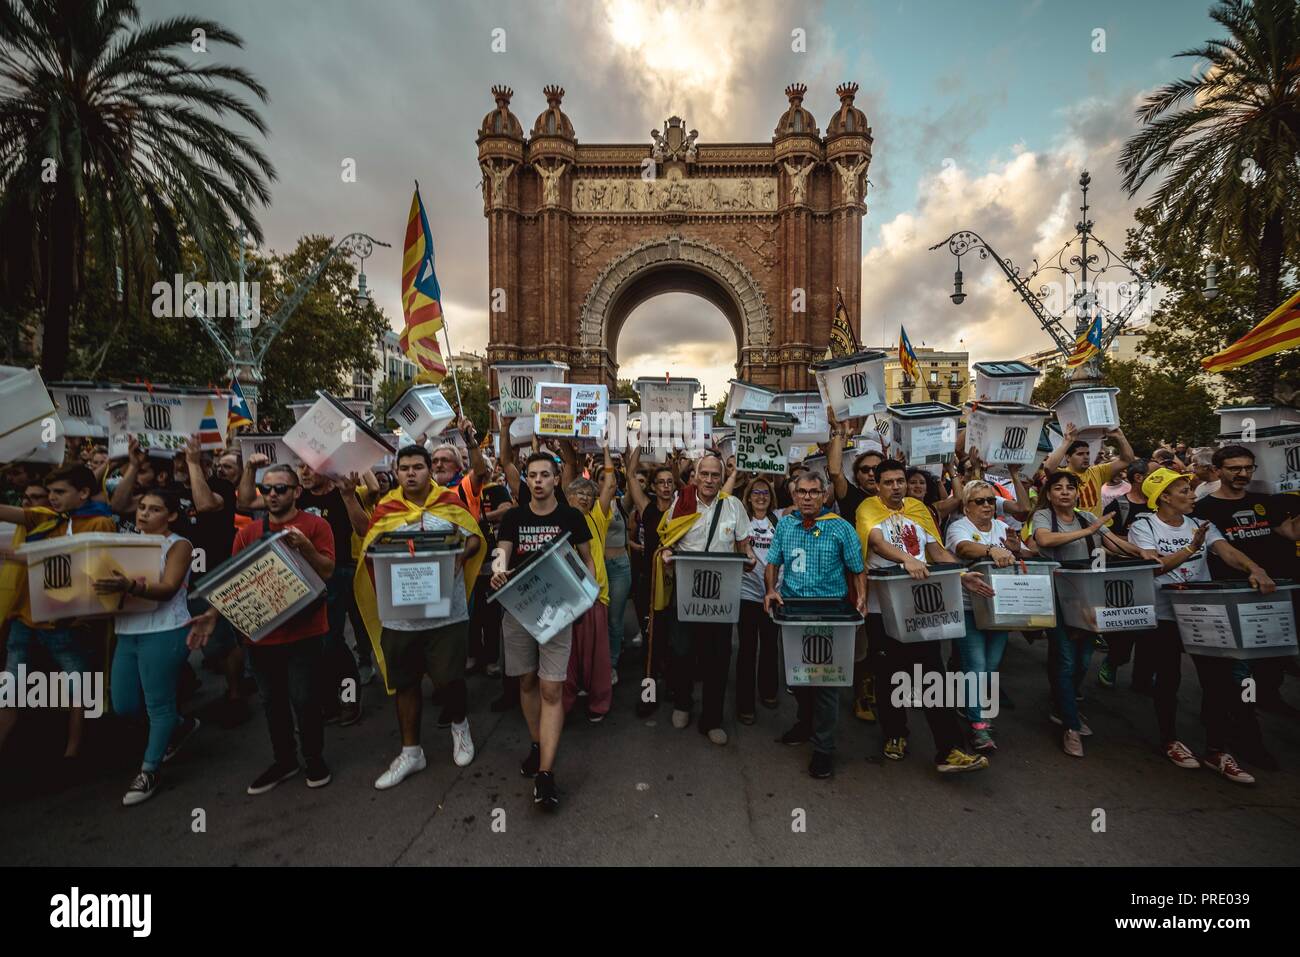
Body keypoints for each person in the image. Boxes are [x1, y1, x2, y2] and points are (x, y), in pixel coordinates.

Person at [187, 464, 336, 795]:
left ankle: (314, 759)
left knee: (305, 698)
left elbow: (327, 571)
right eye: (266, 489)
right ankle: (284, 760)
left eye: (280, 489)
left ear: (297, 492)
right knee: (272, 701)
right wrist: (213, 613)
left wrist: (306, 549)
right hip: (262, 634)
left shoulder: (316, 525)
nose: (272, 495)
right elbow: (234, 580)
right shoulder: (248, 534)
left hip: (305, 632)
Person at [1128, 467, 1277, 783]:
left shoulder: (1200, 525)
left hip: (1202, 612)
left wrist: (1256, 568)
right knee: (1168, 680)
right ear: (1164, 497)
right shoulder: (1144, 526)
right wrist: (1190, 549)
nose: (1192, 496)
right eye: (1183, 491)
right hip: (1164, 615)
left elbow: (1228, 552)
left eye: (1191, 490)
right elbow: (1153, 567)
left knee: (1218, 681)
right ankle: (1170, 740)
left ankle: (1217, 750)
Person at [353, 445, 485, 790]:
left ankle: (460, 727)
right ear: (396, 473)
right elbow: (368, 547)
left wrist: (459, 554)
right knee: (405, 683)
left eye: (418, 467)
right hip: (401, 617)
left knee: (450, 679)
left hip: (446, 613)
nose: (411, 473)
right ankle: (411, 752)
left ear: (430, 470)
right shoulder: (386, 509)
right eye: (404, 468)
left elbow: (474, 538)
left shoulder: (450, 502)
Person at [856, 459, 993, 773]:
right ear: (877, 485)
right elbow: (876, 542)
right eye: (888, 482)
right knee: (888, 674)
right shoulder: (868, 508)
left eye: (900, 481)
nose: (896, 487)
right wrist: (906, 560)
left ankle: (949, 749)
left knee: (932, 674)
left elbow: (937, 551)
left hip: (922, 606)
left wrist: (961, 575)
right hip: (882, 608)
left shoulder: (918, 510)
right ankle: (894, 734)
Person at [490, 452, 595, 811]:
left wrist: (589, 590)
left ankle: (546, 775)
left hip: (558, 612)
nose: (537, 481)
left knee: (552, 688)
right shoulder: (514, 518)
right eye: (531, 475)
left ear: (556, 479)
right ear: (526, 480)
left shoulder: (572, 516)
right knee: (527, 683)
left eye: (544, 475)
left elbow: (586, 558)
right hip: (520, 610)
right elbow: (501, 553)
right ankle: (537, 745)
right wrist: (498, 569)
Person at [0, 465, 117, 765]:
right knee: (10, 689)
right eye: (50, 491)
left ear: (84, 493)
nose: (52, 498)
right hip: (26, 619)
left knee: (78, 689)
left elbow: (96, 568)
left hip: (69, 623)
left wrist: (25, 556)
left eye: (59, 492)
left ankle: (73, 754)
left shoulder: (100, 523)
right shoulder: (44, 516)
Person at [94, 488, 195, 806]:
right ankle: (179, 726)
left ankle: (149, 770)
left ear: (172, 516)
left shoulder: (178, 544)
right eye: (141, 507)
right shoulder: (121, 544)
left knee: (158, 706)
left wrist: (131, 586)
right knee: (124, 704)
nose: (144, 514)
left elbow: (167, 589)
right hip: (127, 631)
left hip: (165, 630)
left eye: (154, 509)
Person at [1031, 471, 1143, 756]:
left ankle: (1062, 704)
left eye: (1071, 488)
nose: (1065, 493)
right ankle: (1070, 725)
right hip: (1058, 597)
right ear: (1050, 494)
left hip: (1090, 598)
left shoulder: (1088, 518)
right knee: (1067, 659)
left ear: (1078, 493)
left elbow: (1115, 544)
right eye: (1058, 488)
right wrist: (1089, 533)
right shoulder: (1044, 517)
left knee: (1083, 660)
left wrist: (1144, 553)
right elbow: (1044, 541)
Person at [764, 471, 867, 778]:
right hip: (794, 608)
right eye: (801, 492)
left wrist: (861, 599)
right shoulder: (784, 525)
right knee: (799, 677)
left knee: (826, 681)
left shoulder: (841, 528)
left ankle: (824, 748)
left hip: (831, 610)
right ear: (794, 496)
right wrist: (771, 589)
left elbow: (857, 567)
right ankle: (804, 724)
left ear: (825, 496)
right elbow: (773, 561)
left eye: (813, 492)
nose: (807, 497)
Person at [1194, 445, 1300, 739]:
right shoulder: (1204, 509)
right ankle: (1234, 725)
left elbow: (1290, 532)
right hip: (1235, 596)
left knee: (1273, 659)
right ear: (1218, 471)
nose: (1243, 474)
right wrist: (1254, 569)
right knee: (1236, 666)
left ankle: (1267, 697)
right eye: (1234, 468)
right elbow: (1224, 551)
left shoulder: (1265, 502)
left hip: (1276, 593)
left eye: (1248, 468)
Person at [654, 453, 755, 746]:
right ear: (695, 476)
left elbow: (744, 545)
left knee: (718, 658)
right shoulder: (680, 503)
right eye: (705, 474)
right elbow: (667, 543)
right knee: (682, 652)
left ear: (722, 478)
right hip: (687, 592)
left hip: (721, 597)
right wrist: (666, 555)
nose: (710, 480)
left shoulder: (734, 506)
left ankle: (712, 719)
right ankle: (683, 704)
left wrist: (748, 558)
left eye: (715, 475)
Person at [944, 478, 1023, 752]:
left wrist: (1016, 548)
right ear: (966, 506)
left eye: (991, 500)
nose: (987, 505)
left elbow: (1023, 552)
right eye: (980, 501)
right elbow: (964, 548)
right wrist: (992, 550)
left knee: (989, 668)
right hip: (968, 607)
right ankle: (979, 727)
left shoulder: (1003, 527)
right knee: (976, 667)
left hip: (1002, 608)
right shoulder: (959, 527)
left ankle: (965, 704)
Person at [557, 441, 616, 723]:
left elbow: (610, 484)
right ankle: (563, 706)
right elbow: (569, 466)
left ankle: (598, 704)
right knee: (565, 660)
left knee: (596, 659)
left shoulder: (597, 519)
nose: (583, 497)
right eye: (578, 492)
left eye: (588, 494)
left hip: (594, 597)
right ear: (567, 495)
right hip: (563, 599)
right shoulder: (557, 518)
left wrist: (606, 449)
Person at [623, 449, 679, 717]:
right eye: (661, 483)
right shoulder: (646, 510)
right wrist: (639, 442)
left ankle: (672, 687)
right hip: (650, 584)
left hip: (676, 584)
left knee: (674, 638)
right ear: (654, 487)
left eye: (670, 482)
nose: (666, 487)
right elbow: (632, 475)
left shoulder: (682, 511)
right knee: (651, 640)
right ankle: (649, 694)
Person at [1098, 459, 1155, 690]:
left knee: (1151, 633)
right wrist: (1141, 547)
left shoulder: (1160, 504)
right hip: (1126, 575)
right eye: (1155, 475)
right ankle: (1113, 661)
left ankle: (1143, 679)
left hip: (1157, 574)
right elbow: (1105, 536)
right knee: (1125, 628)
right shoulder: (1117, 506)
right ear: (1139, 478)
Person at [736, 476, 781, 724]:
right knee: (747, 648)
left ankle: (768, 690)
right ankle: (745, 703)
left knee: (770, 645)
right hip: (747, 593)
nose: (761, 496)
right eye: (756, 492)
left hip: (773, 592)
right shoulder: (741, 519)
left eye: (765, 492)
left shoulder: (781, 519)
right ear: (749, 496)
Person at [1040, 423, 1135, 512]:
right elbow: (1048, 467)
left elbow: (1127, 460)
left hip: (1095, 527)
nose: (1086, 457)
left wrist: (1120, 437)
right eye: (1080, 454)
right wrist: (1068, 442)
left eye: (1087, 453)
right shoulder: (1062, 475)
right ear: (1068, 457)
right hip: (1072, 527)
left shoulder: (1098, 471)